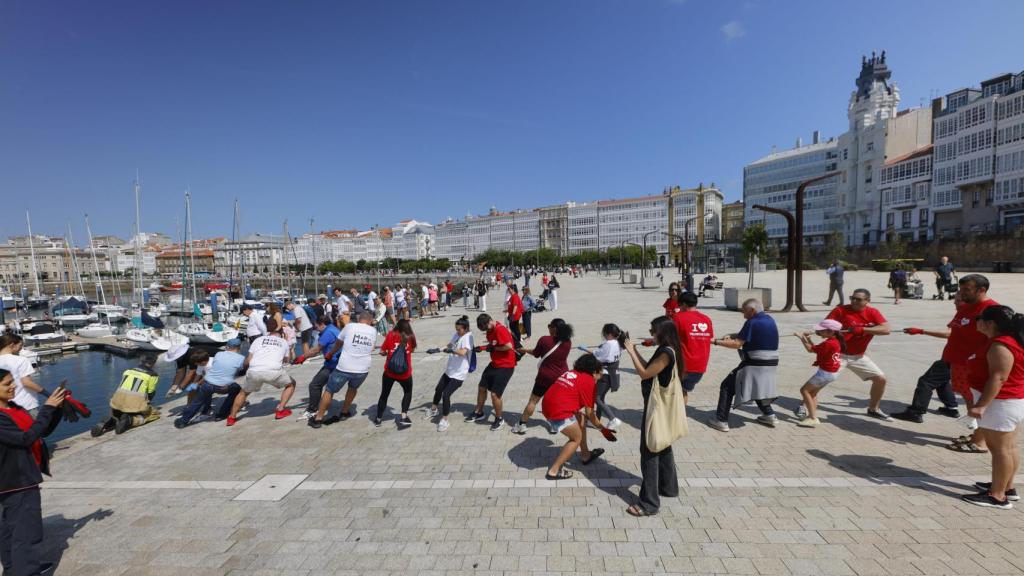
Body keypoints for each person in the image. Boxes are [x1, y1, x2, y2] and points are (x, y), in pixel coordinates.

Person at [893, 275, 999, 431]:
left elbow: (997, 340)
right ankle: (956, 413)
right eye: (960, 291)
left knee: (971, 399)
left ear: (981, 290)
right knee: (965, 397)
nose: (960, 295)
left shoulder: (990, 310)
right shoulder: (965, 308)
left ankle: (979, 439)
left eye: (966, 290)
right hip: (955, 362)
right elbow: (955, 332)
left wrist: (922, 331)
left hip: (971, 365)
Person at [0, 369, 65, 576]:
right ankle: (25, 571)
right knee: (26, 532)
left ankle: (15, 569)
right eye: (7, 384)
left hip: (21, 477)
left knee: (12, 530)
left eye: (13, 382)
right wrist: (46, 409)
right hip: (16, 481)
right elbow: (24, 439)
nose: (14, 386)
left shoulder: (12, 407)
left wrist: (56, 410)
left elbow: (39, 430)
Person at [961, 305, 1024, 509]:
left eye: (980, 319)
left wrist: (981, 406)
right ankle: (1006, 487)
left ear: (990, 324)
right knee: (1009, 447)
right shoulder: (1008, 341)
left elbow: (999, 377)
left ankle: (997, 496)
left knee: (1000, 450)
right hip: (1008, 402)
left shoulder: (1001, 345)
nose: (977, 322)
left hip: (1001, 404)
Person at [622, 316, 682, 516]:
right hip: (661, 406)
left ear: (662, 332)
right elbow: (650, 367)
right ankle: (669, 487)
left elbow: (644, 374)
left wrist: (630, 351)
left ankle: (649, 503)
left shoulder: (666, 353)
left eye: (653, 331)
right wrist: (635, 350)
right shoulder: (668, 349)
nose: (651, 334)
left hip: (656, 407)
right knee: (663, 444)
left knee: (649, 450)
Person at [541, 354, 618, 480]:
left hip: (547, 404)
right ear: (594, 372)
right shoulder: (589, 381)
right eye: (600, 375)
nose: (600, 378)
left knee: (581, 419)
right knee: (576, 438)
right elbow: (590, 413)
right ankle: (554, 471)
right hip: (558, 411)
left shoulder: (573, 372)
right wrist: (602, 429)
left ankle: (586, 455)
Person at [708, 298, 779, 431]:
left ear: (752, 310)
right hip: (772, 362)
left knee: (727, 386)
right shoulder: (769, 319)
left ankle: (721, 420)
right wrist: (731, 335)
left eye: (744, 310)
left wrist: (715, 342)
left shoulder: (752, 322)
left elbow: (737, 344)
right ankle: (769, 415)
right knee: (758, 386)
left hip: (755, 362)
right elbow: (747, 336)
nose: (743, 314)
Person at [826, 288, 893, 420]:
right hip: (838, 354)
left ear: (868, 301)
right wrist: (836, 330)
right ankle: (804, 405)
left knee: (881, 379)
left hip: (858, 356)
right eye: (852, 298)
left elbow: (886, 329)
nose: (854, 301)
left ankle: (873, 409)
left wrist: (863, 329)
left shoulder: (872, 312)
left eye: (859, 299)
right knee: (822, 380)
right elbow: (825, 327)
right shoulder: (840, 310)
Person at [310, 311, 377, 427]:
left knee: (329, 390)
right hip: (363, 369)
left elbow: (338, 343)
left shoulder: (349, 326)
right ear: (370, 321)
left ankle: (318, 418)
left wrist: (330, 354)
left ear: (359, 319)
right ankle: (344, 412)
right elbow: (371, 348)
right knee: (353, 388)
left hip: (344, 367)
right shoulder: (373, 331)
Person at [227, 317, 296, 426]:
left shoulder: (258, 340)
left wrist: (245, 370)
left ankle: (231, 418)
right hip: (273, 371)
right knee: (291, 384)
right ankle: (280, 410)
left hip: (255, 370)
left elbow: (248, 360)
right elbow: (286, 360)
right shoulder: (283, 342)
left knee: (243, 393)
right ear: (281, 330)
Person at [511, 318, 573, 435]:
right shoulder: (567, 342)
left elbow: (536, 354)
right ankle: (555, 426)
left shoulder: (545, 340)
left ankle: (522, 424)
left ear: (554, 328)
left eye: (549, 325)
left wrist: (524, 349)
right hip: (560, 377)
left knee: (533, 401)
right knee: (556, 402)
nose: (548, 327)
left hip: (544, 377)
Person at [175, 340, 246, 428]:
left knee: (197, 402)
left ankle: (183, 421)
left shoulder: (218, 354)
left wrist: (194, 384)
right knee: (237, 389)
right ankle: (221, 414)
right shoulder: (241, 358)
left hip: (207, 384)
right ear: (240, 347)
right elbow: (240, 370)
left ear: (227, 346)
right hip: (224, 387)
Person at [465, 313, 517, 431]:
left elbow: (508, 346)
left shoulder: (500, 330)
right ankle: (479, 412)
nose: (486, 330)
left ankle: (499, 418)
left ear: (490, 321)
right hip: (494, 364)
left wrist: (493, 348)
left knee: (495, 394)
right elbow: (493, 344)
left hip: (506, 366)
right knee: (482, 387)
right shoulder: (490, 330)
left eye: (486, 328)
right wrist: (483, 348)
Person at [92, 354, 162, 436]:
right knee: (154, 414)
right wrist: (147, 405)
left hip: (115, 403)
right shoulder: (152, 375)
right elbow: (150, 393)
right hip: (133, 406)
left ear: (141, 361)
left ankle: (113, 420)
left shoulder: (128, 371)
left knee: (123, 412)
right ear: (154, 363)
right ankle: (130, 420)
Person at [793, 319, 845, 427]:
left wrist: (801, 337)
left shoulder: (829, 343)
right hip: (831, 373)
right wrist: (809, 340)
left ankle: (813, 418)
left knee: (804, 390)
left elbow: (810, 350)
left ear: (830, 331)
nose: (819, 332)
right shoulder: (834, 341)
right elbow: (816, 349)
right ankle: (812, 416)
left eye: (821, 330)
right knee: (812, 393)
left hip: (825, 374)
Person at [428, 315, 475, 432]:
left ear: (466, 328)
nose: (457, 332)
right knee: (438, 389)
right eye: (456, 329)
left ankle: (445, 420)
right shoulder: (457, 335)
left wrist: (452, 350)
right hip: (450, 370)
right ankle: (434, 409)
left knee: (446, 395)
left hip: (459, 374)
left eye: (459, 330)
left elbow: (463, 352)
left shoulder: (469, 337)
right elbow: (450, 345)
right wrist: (437, 350)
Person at [295, 315, 342, 421]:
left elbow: (317, 349)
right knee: (327, 387)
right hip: (337, 362)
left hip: (333, 364)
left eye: (316, 326)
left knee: (315, 385)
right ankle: (321, 407)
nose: (315, 328)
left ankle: (312, 411)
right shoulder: (333, 328)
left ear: (322, 324)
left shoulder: (328, 333)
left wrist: (303, 356)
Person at [672, 291, 713, 403]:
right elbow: (709, 339)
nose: (679, 308)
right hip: (700, 366)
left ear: (684, 304)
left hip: (683, 365)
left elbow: (668, 338)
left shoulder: (678, 318)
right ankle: (681, 417)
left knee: (671, 392)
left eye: (679, 305)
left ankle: (673, 417)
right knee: (683, 391)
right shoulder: (706, 319)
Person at [375, 319, 417, 427]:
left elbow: (382, 351)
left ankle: (379, 418)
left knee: (384, 394)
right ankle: (403, 416)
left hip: (390, 372)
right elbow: (412, 350)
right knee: (407, 392)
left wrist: (386, 353)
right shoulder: (410, 337)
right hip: (405, 373)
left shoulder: (390, 335)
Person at [0, 334, 44, 418]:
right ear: (12, 345)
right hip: (26, 405)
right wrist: (46, 393)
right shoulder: (21, 360)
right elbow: (26, 382)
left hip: (5, 407)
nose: (21, 348)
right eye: (20, 345)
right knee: (37, 429)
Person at [591, 323, 625, 430]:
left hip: (605, 374)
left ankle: (612, 419)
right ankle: (596, 420)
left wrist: (585, 349)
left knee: (596, 398)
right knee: (600, 397)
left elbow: (598, 356)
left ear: (609, 334)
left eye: (604, 333)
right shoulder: (618, 342)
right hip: (613, 374)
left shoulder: (609, 344)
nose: (604, 335)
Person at [507, 284, 524, 348]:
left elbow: (515, 306)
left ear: (512, 289)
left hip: (515, 315)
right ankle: (516, 340)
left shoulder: (515, 296)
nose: (508, 290)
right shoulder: (512, 296)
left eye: (509, 289)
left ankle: (517, 340)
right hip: (512, 314)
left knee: (514, 328)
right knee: (513, 327)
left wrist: (512, 315)